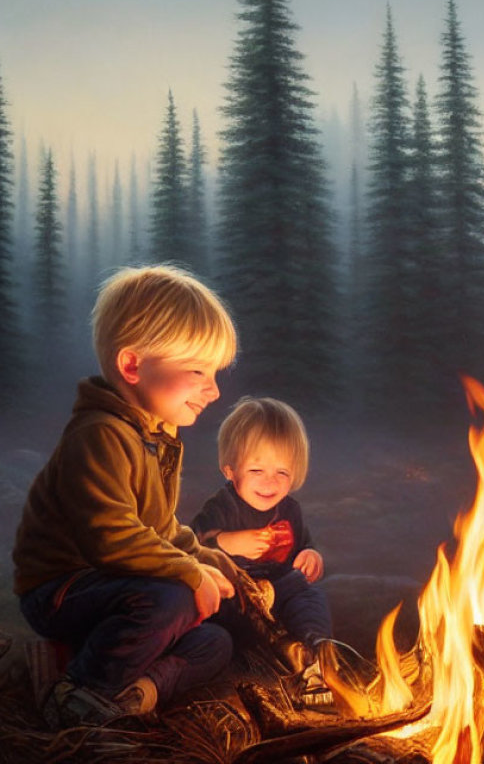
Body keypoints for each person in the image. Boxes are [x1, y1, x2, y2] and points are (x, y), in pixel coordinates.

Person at [12, 264, 242, 727]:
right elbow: (113, 537)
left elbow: (159, 530)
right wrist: (189, 574)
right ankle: (79, 693)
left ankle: (137, 692)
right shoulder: (99, 435)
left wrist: (211, 561)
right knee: (173, 599)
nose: (213, 389)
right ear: (133, 365)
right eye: (197, 369)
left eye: (214, 373)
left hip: (118, 588)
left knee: (215, 641)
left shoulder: (155, 435)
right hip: (64, 588)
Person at [190, 396, 337, 702]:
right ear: (230, 470)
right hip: (236, 597)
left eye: (282, 472)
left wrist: (310, 555)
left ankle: (315, 650)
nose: (270, 482)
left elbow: (303, 543)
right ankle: (282, 651)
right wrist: (227, 541)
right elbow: (192, 545)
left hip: (279, 592)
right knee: (221, 611)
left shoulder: (289, 510)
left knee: (308, 592)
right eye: (257, 471)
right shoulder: (222, 506)